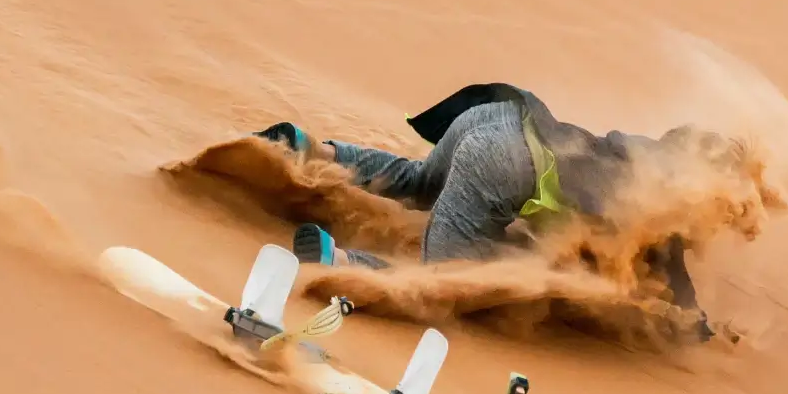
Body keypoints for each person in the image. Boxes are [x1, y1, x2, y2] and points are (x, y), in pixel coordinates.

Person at [253, 82, 718, 339]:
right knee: (443, 280)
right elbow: (672, 274)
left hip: (497, 115)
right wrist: (699, 328)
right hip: (506, 163)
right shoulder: (659, 196)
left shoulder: (636, 151)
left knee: (419, 182)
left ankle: (312, 150)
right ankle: (340, 259)